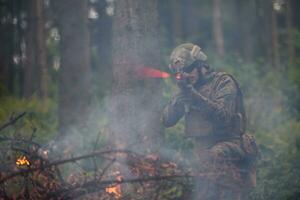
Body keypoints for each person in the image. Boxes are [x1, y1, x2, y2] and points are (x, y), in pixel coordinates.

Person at [162, 43, 258, 200]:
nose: (186, 75)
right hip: (203, 151)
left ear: (200, 65)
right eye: (181, 72)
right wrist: (180, 100)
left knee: (219, 176)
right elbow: (167, 120)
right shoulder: (187, 89)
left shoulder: (223, 82)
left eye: (189, 70)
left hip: (231, 145)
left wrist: (196, 98)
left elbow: (224, 116)